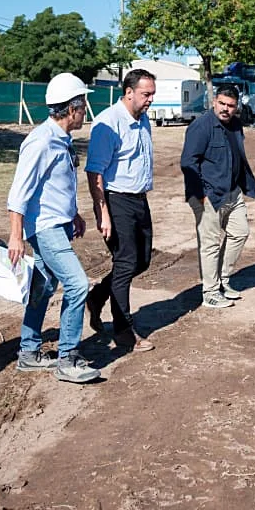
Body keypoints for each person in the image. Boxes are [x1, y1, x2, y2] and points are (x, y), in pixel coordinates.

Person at [6, 73, 100, 384]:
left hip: (58, 224)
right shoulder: (40, 141)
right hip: (44, 228)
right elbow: (19, 192)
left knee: (43, 287)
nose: (86, 111)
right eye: (83, 105)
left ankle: (29, 352)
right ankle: (68, 359)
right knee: (77, 284)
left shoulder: (62, 139)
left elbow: (57, 186)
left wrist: (73, 214)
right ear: (72, 109)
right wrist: (15, 236)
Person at [85, 69, 157, 353]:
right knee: (126, 263)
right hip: (115, 201)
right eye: (146, 94)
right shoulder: (108, 123)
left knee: (142, 260)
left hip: (139, 199)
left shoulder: (143, 120)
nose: (151, 99)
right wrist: (103, 213)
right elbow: (95, 173)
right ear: (128, 92)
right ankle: (124, 332)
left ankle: (97, 297)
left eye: (152, 94)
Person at [180, 86, 255, 309]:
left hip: (232, 192)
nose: (226, 109)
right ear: (214, 101)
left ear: (236, 107)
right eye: (222, 103)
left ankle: (222, 280)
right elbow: (188, 162)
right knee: (210, 244)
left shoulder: (235, 124)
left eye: (231, 105)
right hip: (208, 195)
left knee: (240, 232)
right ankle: (210, 292)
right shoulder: (201, 126)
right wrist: (200, 193)